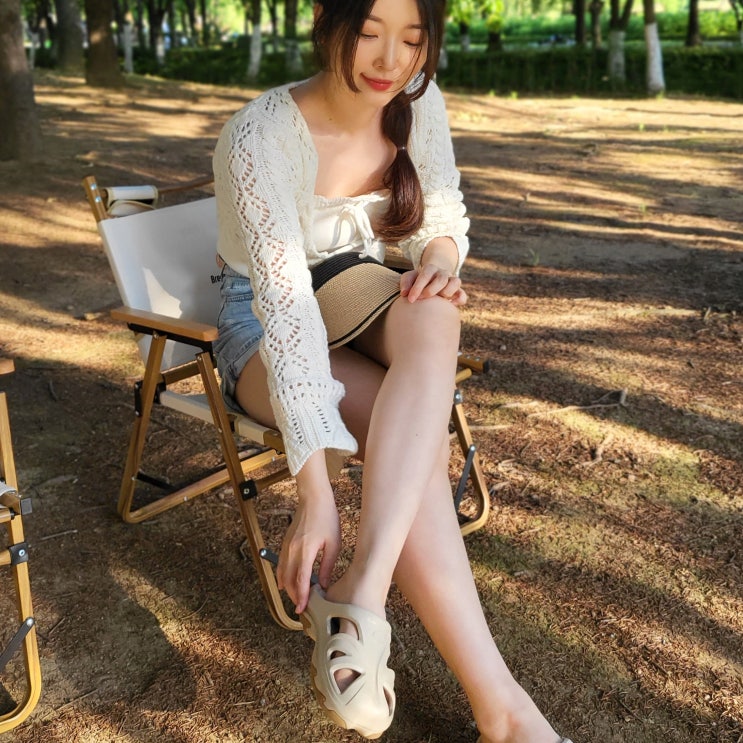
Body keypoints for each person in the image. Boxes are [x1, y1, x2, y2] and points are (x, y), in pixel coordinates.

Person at [212, 1, 573, 741]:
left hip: (359, 285)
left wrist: (438, 259)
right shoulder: (259, 135)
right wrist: (315, 491)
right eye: (369, 33)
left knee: (436, 310)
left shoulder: (417, 101)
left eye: (411, 39)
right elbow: (286, 313)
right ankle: (505, 712)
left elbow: (440, 214)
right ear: (326, 20)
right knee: (406, 440)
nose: (389, 60)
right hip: (264, 320)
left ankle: (362, 593)